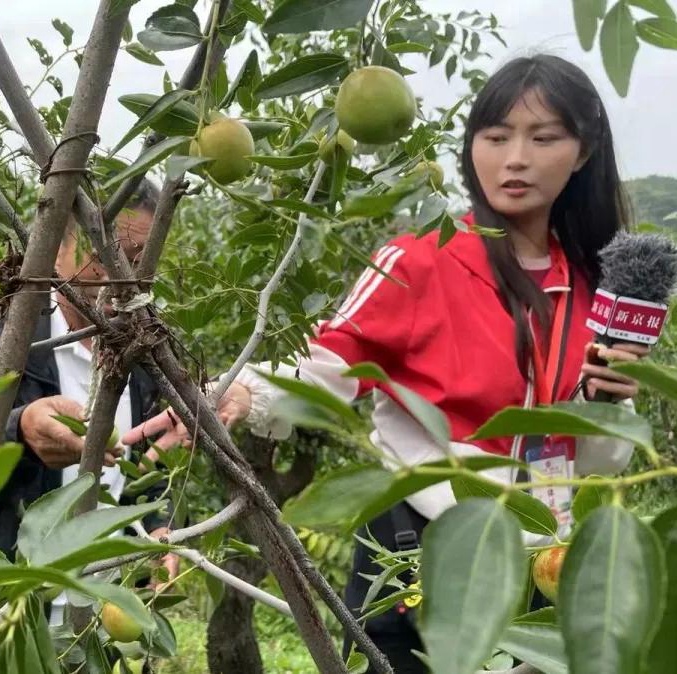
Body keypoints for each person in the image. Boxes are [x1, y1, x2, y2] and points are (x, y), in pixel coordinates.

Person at [121, 55, 650, 672]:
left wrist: (610, 402)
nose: (516, 159)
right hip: (422, 551)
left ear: (583, 152)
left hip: (548, 562)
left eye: (544, 137)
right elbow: (324, 370)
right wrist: (237, 392)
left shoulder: (598, 288)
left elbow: (596, 457)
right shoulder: (419, 261)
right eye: (497, 136)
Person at [0, 176, 178, 653]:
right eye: (103, 252)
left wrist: (158, 526)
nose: (117, 272)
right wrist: (17, 429)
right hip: (3, 616)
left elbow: (146, 463)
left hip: (106, 616)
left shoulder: (144, 353)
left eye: (137, 254)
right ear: (60, 249)